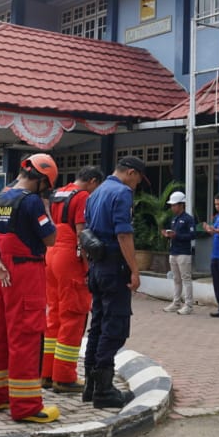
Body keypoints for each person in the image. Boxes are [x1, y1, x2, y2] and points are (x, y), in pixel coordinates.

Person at [0, 153, 60, 422]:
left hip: (1, 274)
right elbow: (50, 239)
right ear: (41, 180)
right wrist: (48, 210)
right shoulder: (32, 203)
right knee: (26, 338)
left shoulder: (1, 198)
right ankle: (26, 406)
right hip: (26, 273)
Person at [83, 155, 147, 410]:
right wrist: (134, 270)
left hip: (97, 267)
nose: (137, 185)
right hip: (113, 266)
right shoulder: (121, 193)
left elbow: (87, 232)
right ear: (131, 172)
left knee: (98, 323)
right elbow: (123, 234)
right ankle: (104, 391)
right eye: (139, 179)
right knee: (115, 326)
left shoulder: (96, 193)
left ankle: (91, 385)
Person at [42, 165, 102, 392]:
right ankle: (64, 377)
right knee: (73, 314)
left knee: (54, 314)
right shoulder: (83, 196)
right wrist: (88, 265)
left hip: (52, 254)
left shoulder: (58, 193)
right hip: (69, 257)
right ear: (93, 181)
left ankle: (46, 373)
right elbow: (81, 233)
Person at [162, 190, 196, 315]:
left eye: (174, 205)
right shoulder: (174, 219)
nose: (172, 207)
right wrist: (167, 235)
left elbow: (192, 235)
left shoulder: (188, 219)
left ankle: (188, 305)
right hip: (174, 251)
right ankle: (176, 303)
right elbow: (174, 235)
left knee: (186, 279)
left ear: (181, 204)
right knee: (176, 279)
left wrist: (177, 235)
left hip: (184, 253)